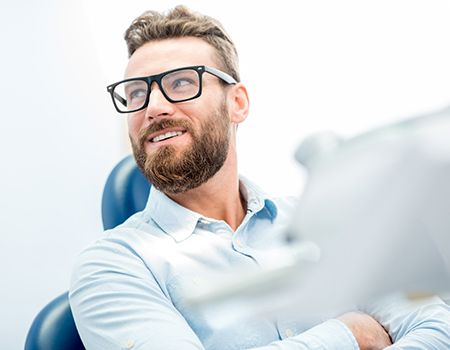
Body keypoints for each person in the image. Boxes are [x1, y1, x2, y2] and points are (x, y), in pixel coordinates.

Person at [69, 6, 450, 350]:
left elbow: (436, 329)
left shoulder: (325, 227)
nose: (153, 107)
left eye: (181, 82)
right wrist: (349, 334)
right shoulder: (110, 266)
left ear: (237, 103)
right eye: (136, 92)